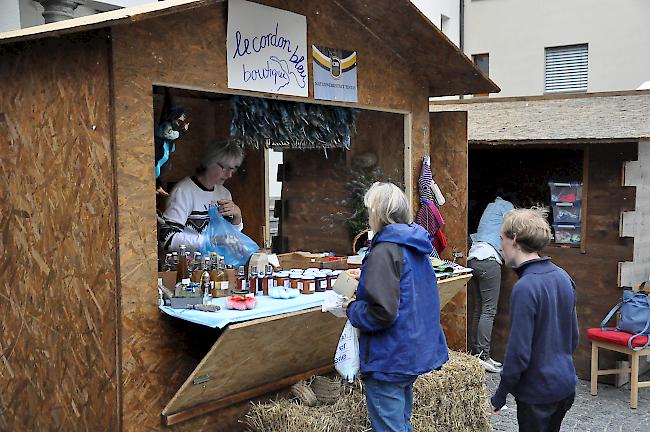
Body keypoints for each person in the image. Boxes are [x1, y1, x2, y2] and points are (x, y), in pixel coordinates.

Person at [343, 182, 448, 432]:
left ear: (378, 213)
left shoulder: (384, 251)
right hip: (410, 352)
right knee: (401, 423)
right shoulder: (415, 245)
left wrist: (352, 308)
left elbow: (382, 313)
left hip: (390, 356)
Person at [491, 207, 579, 432]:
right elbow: (573, 338)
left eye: (501, 238)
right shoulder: (563, 276)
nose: (500, 245)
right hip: (564, 387)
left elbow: (518, 352)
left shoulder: (525, 287)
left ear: (515, 240)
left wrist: (500, 394)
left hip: (538, 394)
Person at [159, 139, 244, 253]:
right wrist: (209, 241)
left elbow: (231, 240)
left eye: (232, 169)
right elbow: (168, 238)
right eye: (225, 168)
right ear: (209, 162)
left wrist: (237, 217)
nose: (229, 175)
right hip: (187, 268)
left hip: (217, 267)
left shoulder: (224, 193)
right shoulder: (184, 191)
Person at [468, 195, 514, 372]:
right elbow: (514, 229)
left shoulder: (491, 206)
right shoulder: (507, 206)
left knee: (480, 308)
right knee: (488, 310)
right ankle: (484, 356)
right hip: (489, 258)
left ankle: (476, 355)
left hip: (474, 257)